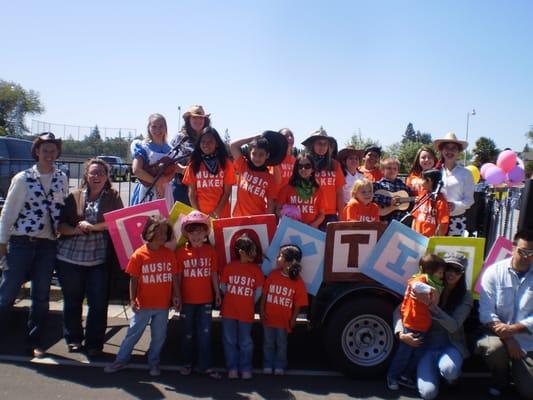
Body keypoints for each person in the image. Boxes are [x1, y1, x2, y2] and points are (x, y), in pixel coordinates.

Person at [0, 132, 68, 358]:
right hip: (22, 243)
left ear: (57, 153)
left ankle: (34, 341)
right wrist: (2, 242)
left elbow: (62, 208)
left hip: (48, 245)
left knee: (41, 296)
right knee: (7, 292)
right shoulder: (23, 178)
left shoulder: (61, 178)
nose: (49, 154)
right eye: (45, 150)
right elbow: (8, 213)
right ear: (36, 152)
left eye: (53, 150)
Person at [56, 158, 124, 356]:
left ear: (107, 177)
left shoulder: (113, 196)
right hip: (70, 257)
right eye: (93, 173)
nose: (97, 177)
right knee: (72, 300)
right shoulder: (73, 196)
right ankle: (73, 338)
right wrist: (76, 230)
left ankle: (94, 343)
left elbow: (117, 221)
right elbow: (60, 225)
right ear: (86, 175)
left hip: (98, 258)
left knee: (98, 302)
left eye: (101, 173)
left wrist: (93, 227)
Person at [104, 216, 180, 376]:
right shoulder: (139, 255)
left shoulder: (169, 254)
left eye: (165, 233)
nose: (161, 236)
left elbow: (174, 277)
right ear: (149, 233)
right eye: (158, 232)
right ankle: (121, 360)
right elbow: (134, 279)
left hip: (162, 306)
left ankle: (154, 363)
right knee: (133, 334)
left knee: (159, 337)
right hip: (143, 305)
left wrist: (176, 295)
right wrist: (132, 300)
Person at [394, 253, 473, 399]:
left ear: (462, 274)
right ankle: (434, 373)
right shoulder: (426, 286)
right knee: (428, 394)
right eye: (449, 268)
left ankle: (450, 379)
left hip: (450, 345)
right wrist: (401, 334)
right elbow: (399, 311)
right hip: (425, 347)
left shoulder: (465, 296)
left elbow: (454, 326)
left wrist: (430, 305)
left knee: (449, 370)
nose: (451, 273)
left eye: (457, 270)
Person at [477, 230, 533, 399]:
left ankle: (518, 372)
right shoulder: (493, 272)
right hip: (497, 335)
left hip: (527, 339)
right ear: (513, 247)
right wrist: (508, 338)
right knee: (494, 350)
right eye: (522, 251)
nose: (526, 257)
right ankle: (500, 380)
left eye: (531, 253)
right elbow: (486, 312)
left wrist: (514, 329)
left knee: (529, 392)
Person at [387, 254, 446, 391]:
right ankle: (392, 376)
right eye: (440, 272)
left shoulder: (434, 282)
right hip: (411, 324)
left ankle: (405, 376)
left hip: (423, 325)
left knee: (417, 354)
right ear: (430, 271)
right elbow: (415, 285)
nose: (442, 275)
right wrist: (430, 289)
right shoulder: (422, 279)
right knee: (404, 353)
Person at [175, 211, 221, 379]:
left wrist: (217, 293)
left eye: (199, 232)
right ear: (186, 234)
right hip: (187, 301)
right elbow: (177, 277)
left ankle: (206, 365)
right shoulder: (180, 253)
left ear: (205, 234)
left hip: (206, 300)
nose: (196, 236)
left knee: (205, 333)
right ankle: (187, 363)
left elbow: (214, 274)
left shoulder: (211, 251)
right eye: (192, 232)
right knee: (187, 333)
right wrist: (177, 296)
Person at [220, 234, 265, 379]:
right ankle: (232, 368)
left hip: (246, 312)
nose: (254, 254)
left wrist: (249, 302)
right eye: (251, 251)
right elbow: (223, 286)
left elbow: (258, 291)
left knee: (245, 341)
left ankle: (245, 368)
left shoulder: (256, 270)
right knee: (229, 340)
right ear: (241, 252)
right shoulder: (229, 267)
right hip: (228, 312)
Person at [260, 245, 308, 375]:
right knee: (268, 343)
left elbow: (299, 304)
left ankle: (280, 365)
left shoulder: (298, 281)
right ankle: (268, 364)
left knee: (282, 344)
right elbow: (264, 294)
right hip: (269, 317)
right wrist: (262, 310)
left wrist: (293, 319)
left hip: (284, 320)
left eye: (280, 255)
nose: (277, 258)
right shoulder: (272, 275)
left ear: (288, 261)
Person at [182, 126, 236, 218]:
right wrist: (198, 213)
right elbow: (191, 193)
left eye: (210, 141)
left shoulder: (225, 163)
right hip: (200, 215)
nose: (206, 144)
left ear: (217, 144)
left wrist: (216, 212)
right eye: (203, 141)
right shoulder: (194, 163)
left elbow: (227, 192)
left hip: (221, 214)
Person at [301, 128, 345, 231]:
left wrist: (341, 216)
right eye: (319, 143)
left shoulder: (335, 165)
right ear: (312, 145)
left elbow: (339, 192)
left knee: (328, 246)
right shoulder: (304, 164)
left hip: (330, 214)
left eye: (325, 144)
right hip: (309, 213)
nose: (322, 146)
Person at [130, 113, 175, 210]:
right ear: (149, 128)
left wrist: (163, 181)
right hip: (147, 190)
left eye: (161, 126)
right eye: (154, 126)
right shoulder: (142, 146)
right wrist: (157, 183)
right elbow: (136, 170)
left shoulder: (171, 149)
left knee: (164, 222)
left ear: (165, 128)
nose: (157, 130)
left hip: (165, 191)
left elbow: (174, 170)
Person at [169, 105, 212, 205]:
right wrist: (184, 170)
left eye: (201, 117)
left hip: (204, 189)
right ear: (189, 119)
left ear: (205, 120)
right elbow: (169, 160)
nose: (198, 120)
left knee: (201, 220)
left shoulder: (209, 137)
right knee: (179, 220)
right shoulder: (180, 137)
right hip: (182, 188)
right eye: (194, 117)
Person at [434, 132, 474, 236]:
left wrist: (454, 205)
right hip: (436, 219)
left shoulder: (466, 174)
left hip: (456, 220)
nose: (450, 151)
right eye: (447, 148)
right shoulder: (436, 171)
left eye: (453, 148)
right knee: (433, 250)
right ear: (442, 150)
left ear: (458, 152)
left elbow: (469, 200)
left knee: (451, 251)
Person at [230, 134, 277, 217]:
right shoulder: (243, 166)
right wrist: (252, 138)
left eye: (261, 154)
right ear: (249, 153)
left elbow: (270, 203)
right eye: (254, 154)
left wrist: (268, 221)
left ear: (267, 155)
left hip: (258, 220)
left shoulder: (270, 178)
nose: (257, 158)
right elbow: (233, 145)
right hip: (239, 218)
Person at [275, 153, 325, 229]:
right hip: (290, 229)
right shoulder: (287, 188)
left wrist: (312, 225)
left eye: (307, 166)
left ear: (313, 169)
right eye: (300, 166)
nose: (303, 169)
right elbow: (278, 209)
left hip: (311, 230)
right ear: (296, 169)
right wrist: (288, 219)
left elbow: (322, 215)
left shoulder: (318, 190)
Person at [373, 157, 413, 223]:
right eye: (389, 168)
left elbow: (409, 200)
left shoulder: (403, 186)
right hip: (384, 220)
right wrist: (389, 200)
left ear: (398, 171)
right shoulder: (377, 185)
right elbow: (373, 197)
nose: (392, 171)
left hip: (400, 220)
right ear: (382, 170)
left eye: (395, 169)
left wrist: (415, 200)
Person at [411, 169, 449, 237]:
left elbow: (443, 224)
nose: (420, 182)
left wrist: (435, 240)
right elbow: (415, 217)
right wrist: (412, 233)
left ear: (429, 180)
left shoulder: (441, 201)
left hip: (429, 240)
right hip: (417, 238)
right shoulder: (422, 196)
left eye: (422, 179)